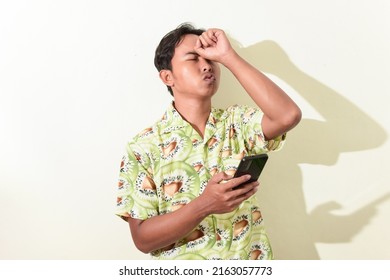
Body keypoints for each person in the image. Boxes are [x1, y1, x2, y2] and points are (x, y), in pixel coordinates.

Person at [115, 23, 301, 260]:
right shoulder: (143, 147)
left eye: (210, 59)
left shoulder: (238, 123)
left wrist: (228, 56)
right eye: (193, 58)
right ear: (167, 76)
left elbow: (288, 115)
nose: (206, 66)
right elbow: (143, 239)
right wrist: (205, 205)